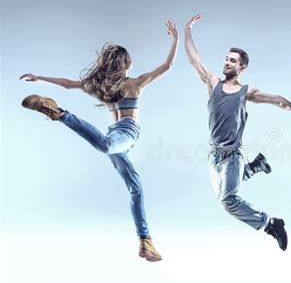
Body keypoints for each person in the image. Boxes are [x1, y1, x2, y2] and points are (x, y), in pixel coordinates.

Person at [20, 21, 179, 262]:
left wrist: (40, 77)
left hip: (115, 135)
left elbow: (68, 83)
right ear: (126, 63)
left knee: (135, 188)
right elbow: (168, 65)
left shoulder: (102, 87)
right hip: (125, 133)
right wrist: (175, 39)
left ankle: (146, 241)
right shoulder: (135, 84)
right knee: (105, 145)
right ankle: (61, 114)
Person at [184, 14, 291, 251]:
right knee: (223, 193)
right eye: (226, 59)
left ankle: (271, 224)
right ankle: (255, 166)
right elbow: (194, 59)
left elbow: (276, 100)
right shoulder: (212, 83)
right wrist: (187, 31)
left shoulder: (246, 92)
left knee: (228, 200)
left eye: (232, 61)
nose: (227, 63)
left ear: (241, 67)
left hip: (233, 155)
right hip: (214, 156)